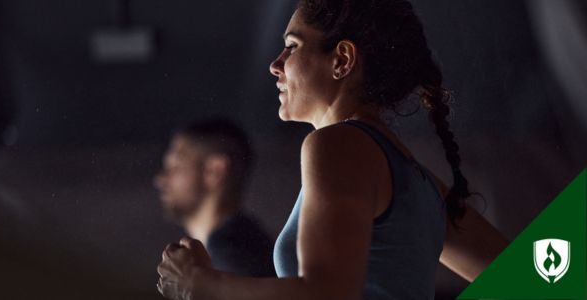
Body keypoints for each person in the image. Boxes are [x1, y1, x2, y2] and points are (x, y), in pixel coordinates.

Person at [156, 1, 509, 299]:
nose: (275, 64)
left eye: (292, 47)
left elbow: (326, 293)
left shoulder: (337, 145)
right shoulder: (421, 183)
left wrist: (201, 283)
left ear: (341, 59)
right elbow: (536, 278)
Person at [154, 118, 275, 277]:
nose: (160, 180)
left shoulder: (231, 255)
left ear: (215, 171)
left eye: (175, 167)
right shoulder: (244, 244)